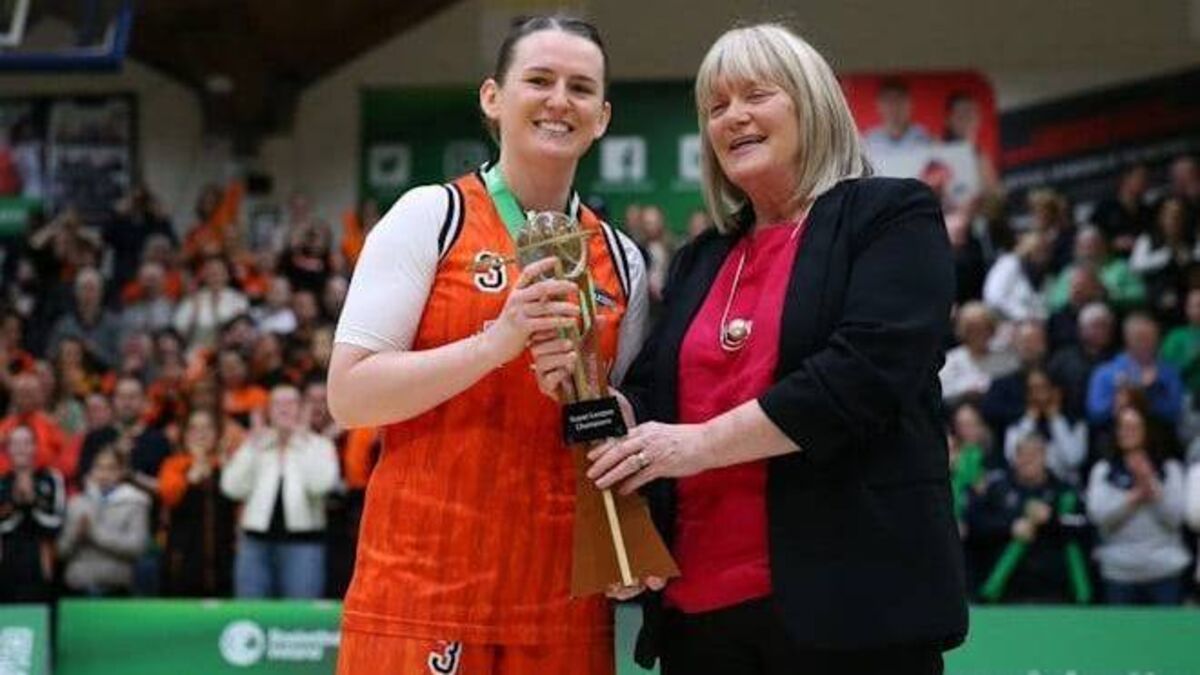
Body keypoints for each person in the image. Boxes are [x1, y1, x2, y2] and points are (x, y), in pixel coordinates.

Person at [534, 23, 966, 675]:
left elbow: (864, 376)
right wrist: (592, 396)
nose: (733, 116)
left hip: (853, 611)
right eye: (716, 106)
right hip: (699, 618)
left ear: (812, 104)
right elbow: (652, 402)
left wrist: (696, 445)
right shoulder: (700, 258)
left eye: (756, 95)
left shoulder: (889, 215)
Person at [328, 15, 647, 675]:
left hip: (565, 610)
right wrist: (495, 344)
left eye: (581, 88)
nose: (560, 100)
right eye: (539, 80)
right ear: (493, 98)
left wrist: (626, 530)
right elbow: (349, 396)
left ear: (602, 117)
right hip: (421, 595)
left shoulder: (622, 259)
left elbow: (613, 425)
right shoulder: (430, 216)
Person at [220, 384, 338, 599]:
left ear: (302, 409)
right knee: (251, 612)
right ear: (268, 411)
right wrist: (253, 448)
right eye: (277, 403)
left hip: (303, 545)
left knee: (300, 615)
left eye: (291, 403)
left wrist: (302, 442)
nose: (284, 408)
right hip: (255, 544)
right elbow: (231, 488)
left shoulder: (319, 445)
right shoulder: (255, 444)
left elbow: (320, 485)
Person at [1086, 404, 1190, 605]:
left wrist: (1150, 484)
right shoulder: (1103, 471)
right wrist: (1133, 498)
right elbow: (1099, 518)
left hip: (1164, 570)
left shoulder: (1170, 469)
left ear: (1146, 431)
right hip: (1118, 572)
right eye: (1123, 427)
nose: (1128, 432)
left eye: (1134, 427)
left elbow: (1175, 519)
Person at [58, 447, 150, 596]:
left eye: (111, 468)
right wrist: (76, 535)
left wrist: (94, 533)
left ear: (121, 472)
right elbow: (62, 551)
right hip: (78, 589)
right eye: (99, 467)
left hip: (114, 589)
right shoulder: (76, 503)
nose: (104, 474)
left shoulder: (136, 503)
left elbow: (136, 547)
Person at [0, 425, 66, 603]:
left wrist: (32, 504)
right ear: (7, 450)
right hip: (7, 562)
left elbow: (57, 523)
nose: (21, 448)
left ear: (35, 447)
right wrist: (17, 504)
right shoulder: (2, 483)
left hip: (42, 560)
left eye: (26, 443)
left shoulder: (51, 478)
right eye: (15, 443)